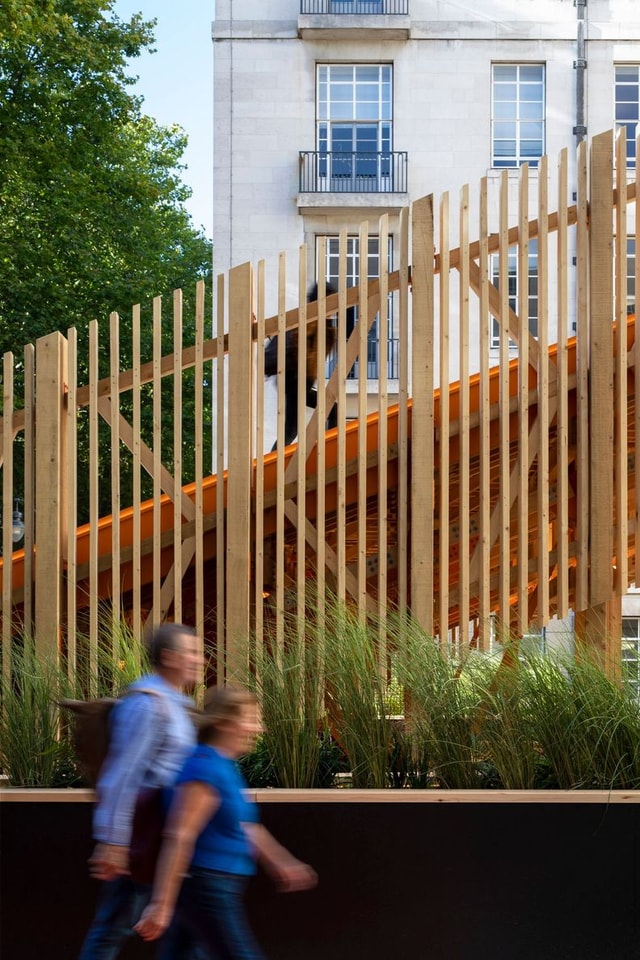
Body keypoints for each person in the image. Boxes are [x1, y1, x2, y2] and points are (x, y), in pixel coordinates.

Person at [134, 685, 317, 959]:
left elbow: (246, 826)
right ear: (222, 722)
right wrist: (161, 904)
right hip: (206, 887)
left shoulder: (223, 767)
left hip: (211, 885)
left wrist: (282, 863)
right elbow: (180, 835)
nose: (259, 729)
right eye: (251, 719)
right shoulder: (204, 768)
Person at [78, 622, 203, 960]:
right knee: (112, 929)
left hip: (164, 836)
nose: (199, 659)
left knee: (186, 928)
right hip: (142, 837)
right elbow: (122, 773)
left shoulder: (176, 703)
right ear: (169, 657)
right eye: (191, 652)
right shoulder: (146, 704)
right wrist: (113, 842)